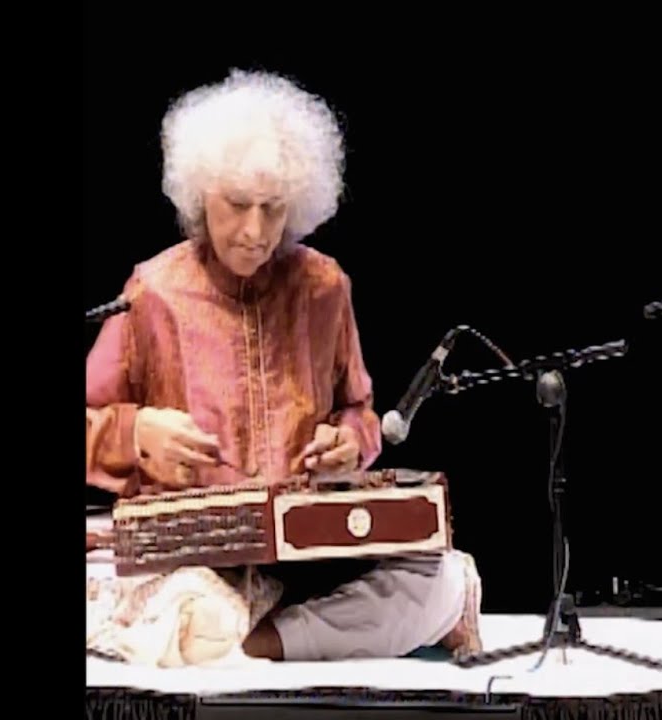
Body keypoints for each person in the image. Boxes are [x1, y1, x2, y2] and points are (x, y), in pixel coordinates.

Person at [85, 69, 482, 666]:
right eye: (237, 206)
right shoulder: (152, 292)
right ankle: (279, 639)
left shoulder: (325, 287)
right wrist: (137, 434)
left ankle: (250, 646)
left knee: (439, 577)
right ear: (198, 198)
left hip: (310, 556)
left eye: (273, 210)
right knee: (163, 596)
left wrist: (349, 442)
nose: (254, 232)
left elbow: (360, 412)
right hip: (192, 556)